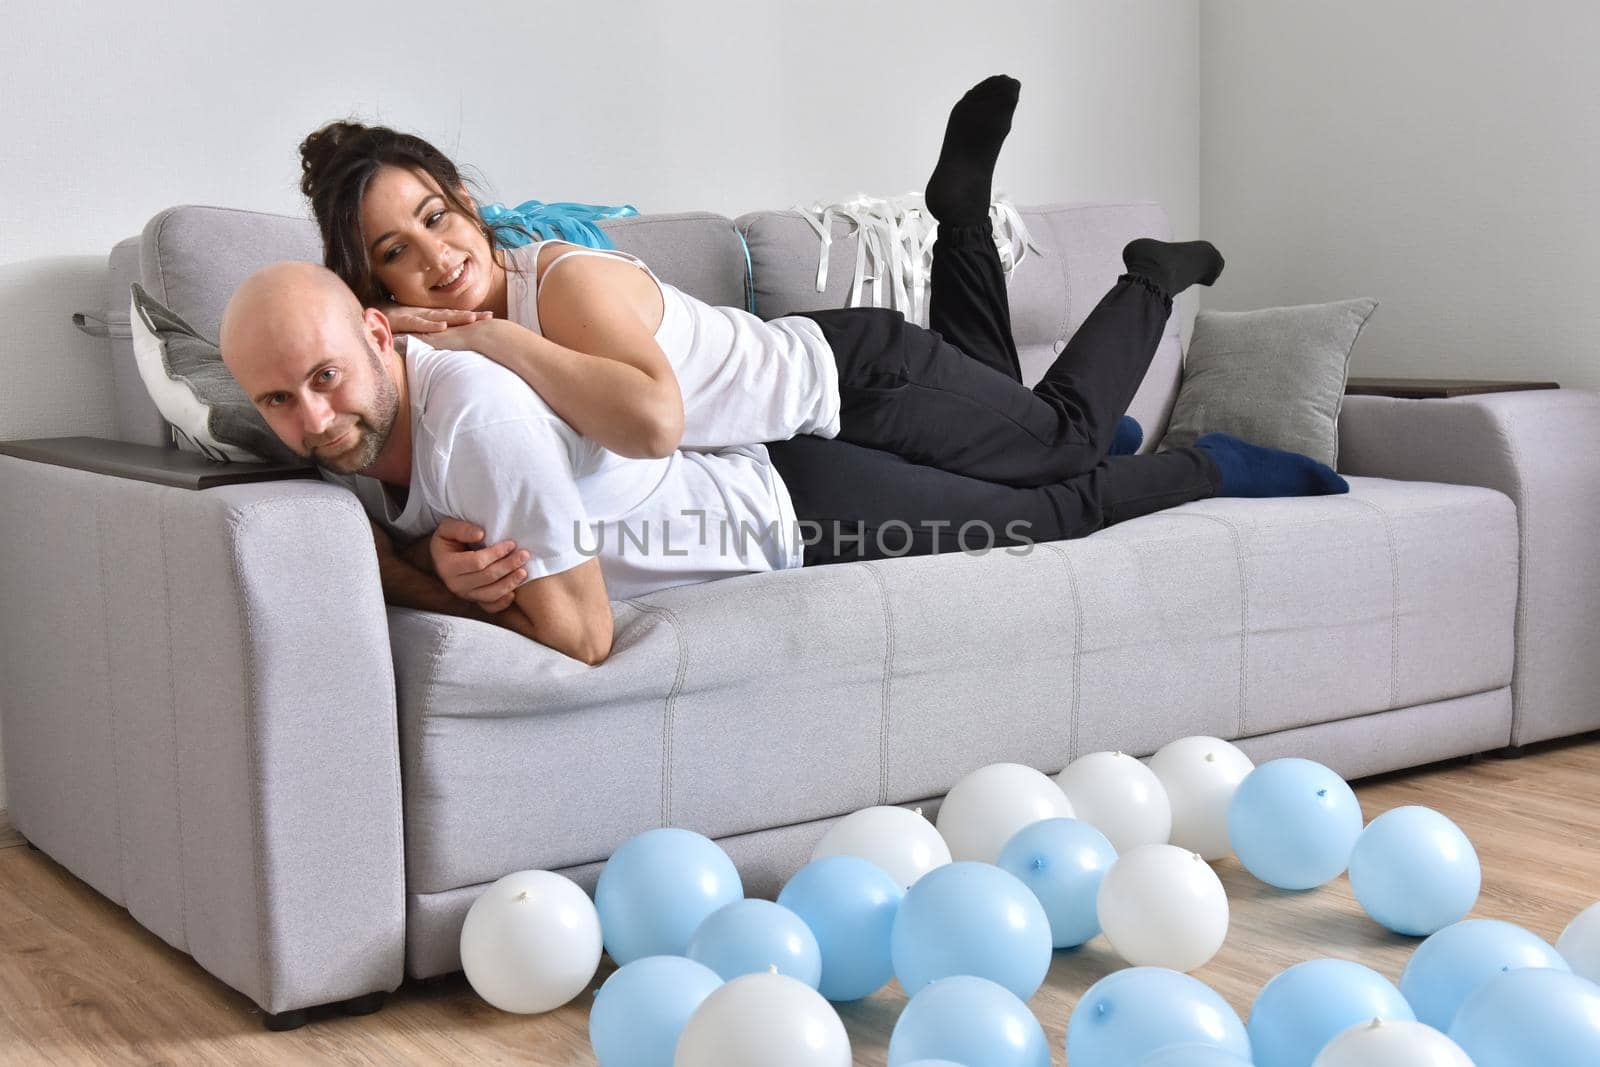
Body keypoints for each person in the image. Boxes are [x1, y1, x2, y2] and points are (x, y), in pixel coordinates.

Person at [218, 259, 1346, 666]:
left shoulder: (479, 413)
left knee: (1045, 509)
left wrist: (406, 571)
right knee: (1035, 467)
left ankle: (1204, 460)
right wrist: (420, 553)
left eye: (323, 379)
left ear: (381, 331)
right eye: (277, 399)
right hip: (782, 461)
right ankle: (1118, 440)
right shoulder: (353, 443)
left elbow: (581, 637)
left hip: (793, 501)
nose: (311, 421)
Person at [295, 75, 1226, 488]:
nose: (434, 259)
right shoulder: (432, 349)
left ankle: (1149, 277)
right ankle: (961, 218)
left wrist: (497, 338)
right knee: (1011, 402)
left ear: (464, 200)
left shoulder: (560, 283)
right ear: (372, 288)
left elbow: (654, 423)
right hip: (840, 387)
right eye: (392, 254)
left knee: (1063, 445)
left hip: (862, 385)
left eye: (433, 218)